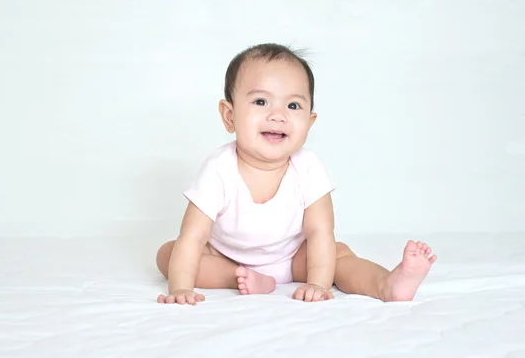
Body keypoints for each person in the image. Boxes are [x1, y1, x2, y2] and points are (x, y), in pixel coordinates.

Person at [155, 43, 437, 305]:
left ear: (309, 121)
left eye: (293, 106)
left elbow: (320, 232)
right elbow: (192, 236)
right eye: (261, 102)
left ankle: (386, 284)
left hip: (293, 259)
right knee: (169, 255)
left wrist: (319, 283)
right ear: (229, 116)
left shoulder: (309, 167)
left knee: (339, 254)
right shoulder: (218, 168)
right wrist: (181, 287)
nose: (278, 115)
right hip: (225, 258)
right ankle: (241, 278)